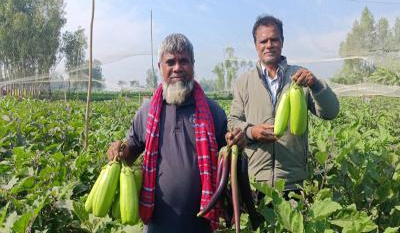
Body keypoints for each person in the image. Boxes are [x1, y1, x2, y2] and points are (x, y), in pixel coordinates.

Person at [107, 33, 245, 233]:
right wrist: (119, 150)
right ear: (160, 67)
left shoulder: (213, 111)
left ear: (193, 65)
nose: (177, 68)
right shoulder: (146, 112)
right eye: (170, 61)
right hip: (157, 222)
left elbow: (227, 155)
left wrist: (238, 142)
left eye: (184, 61)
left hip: (201, 221)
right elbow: (131, 151)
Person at [228, 15, 340, 195]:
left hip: (293, 182)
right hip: (256, 182)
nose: (269, 45)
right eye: (263, 41)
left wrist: (316, 84)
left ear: (282, 41)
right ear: (256, 45)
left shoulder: (300, 77)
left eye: (274, 39)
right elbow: (233, 121)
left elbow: (331, 112)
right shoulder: (244, 82)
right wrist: (251, 131)